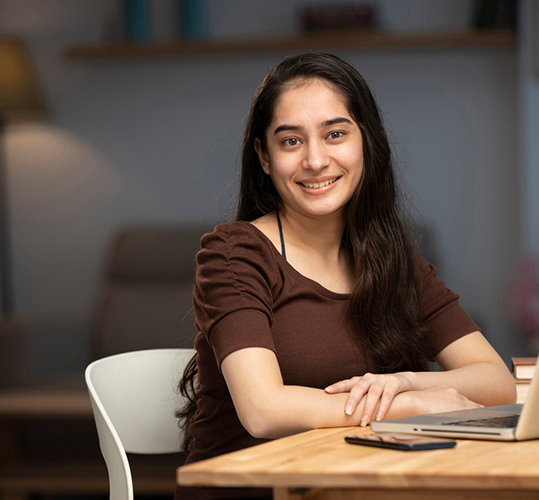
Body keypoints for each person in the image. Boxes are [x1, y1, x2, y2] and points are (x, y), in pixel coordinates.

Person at [175, 52, 516, 500]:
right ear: (263, 156)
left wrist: (406, 381)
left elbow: (497, 382)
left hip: (362, 485)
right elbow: (264, 410)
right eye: (291, 141)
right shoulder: (234, 255)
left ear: (366, 142)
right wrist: (405, 406)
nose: (316, 160)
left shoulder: (394, 257)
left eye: (335, 134)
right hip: (255, 489)